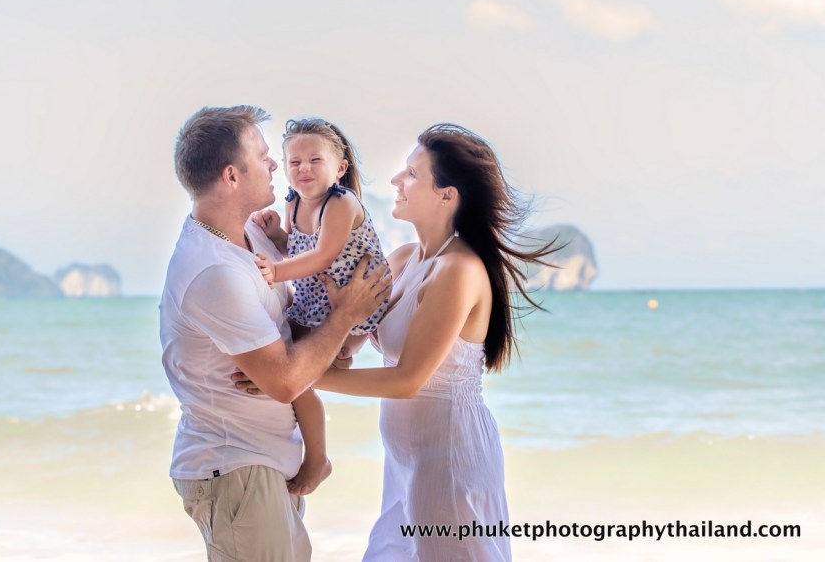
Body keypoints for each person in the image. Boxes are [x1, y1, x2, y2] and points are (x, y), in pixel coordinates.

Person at [235, 123, 556, 561]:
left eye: (412, 174)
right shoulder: (406, 259)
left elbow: (407, 380)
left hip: (450, 458)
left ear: (447, 195)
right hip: (405, 460)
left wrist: (294, 378)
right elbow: (354, 333)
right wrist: (328, 333)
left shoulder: (458, 271)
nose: (395, 182)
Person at [160, 105, 391, 562]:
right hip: (237, 468)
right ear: (231, 176)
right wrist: (345, 318)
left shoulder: (250, 234)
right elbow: (285, 381)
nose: (275, 165)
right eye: (264, 156)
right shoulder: (213, 270)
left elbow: (292, 328)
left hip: (263, 468)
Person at [250, 117, 390, 496]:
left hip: (354, 305)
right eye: (295, 162)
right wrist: (274, 231)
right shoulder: (294, 202)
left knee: (301, 377)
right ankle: (274, 388)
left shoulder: (341, 203)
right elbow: (296, 246)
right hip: (314, 305)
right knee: (282, 360)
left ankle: (318, 459)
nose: (304, 169)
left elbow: (322, 255)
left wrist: (276, 272)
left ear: (339, 168)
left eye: (315, 160)